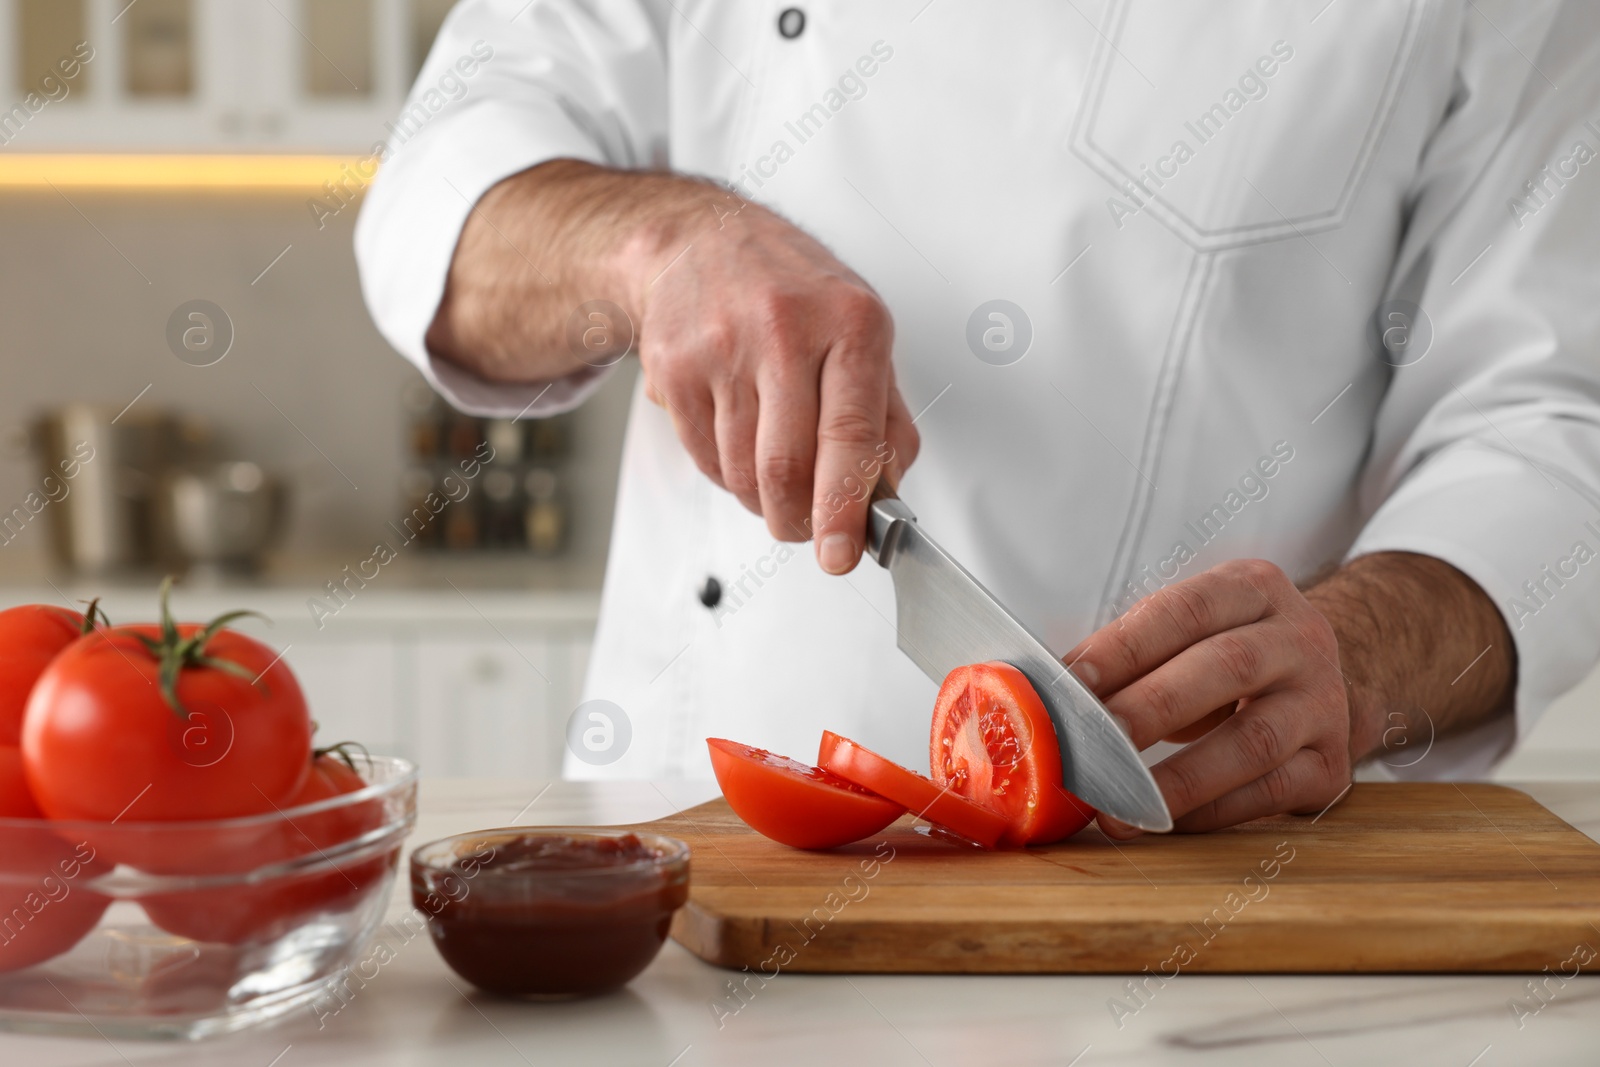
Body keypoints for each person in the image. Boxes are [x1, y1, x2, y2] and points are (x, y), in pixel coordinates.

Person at [356, 0, 1600, 834]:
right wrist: (650, 246)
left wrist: (1358, 653)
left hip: (1197, 882)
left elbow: (1550, 422)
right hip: (689, 869)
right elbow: (441, 193)